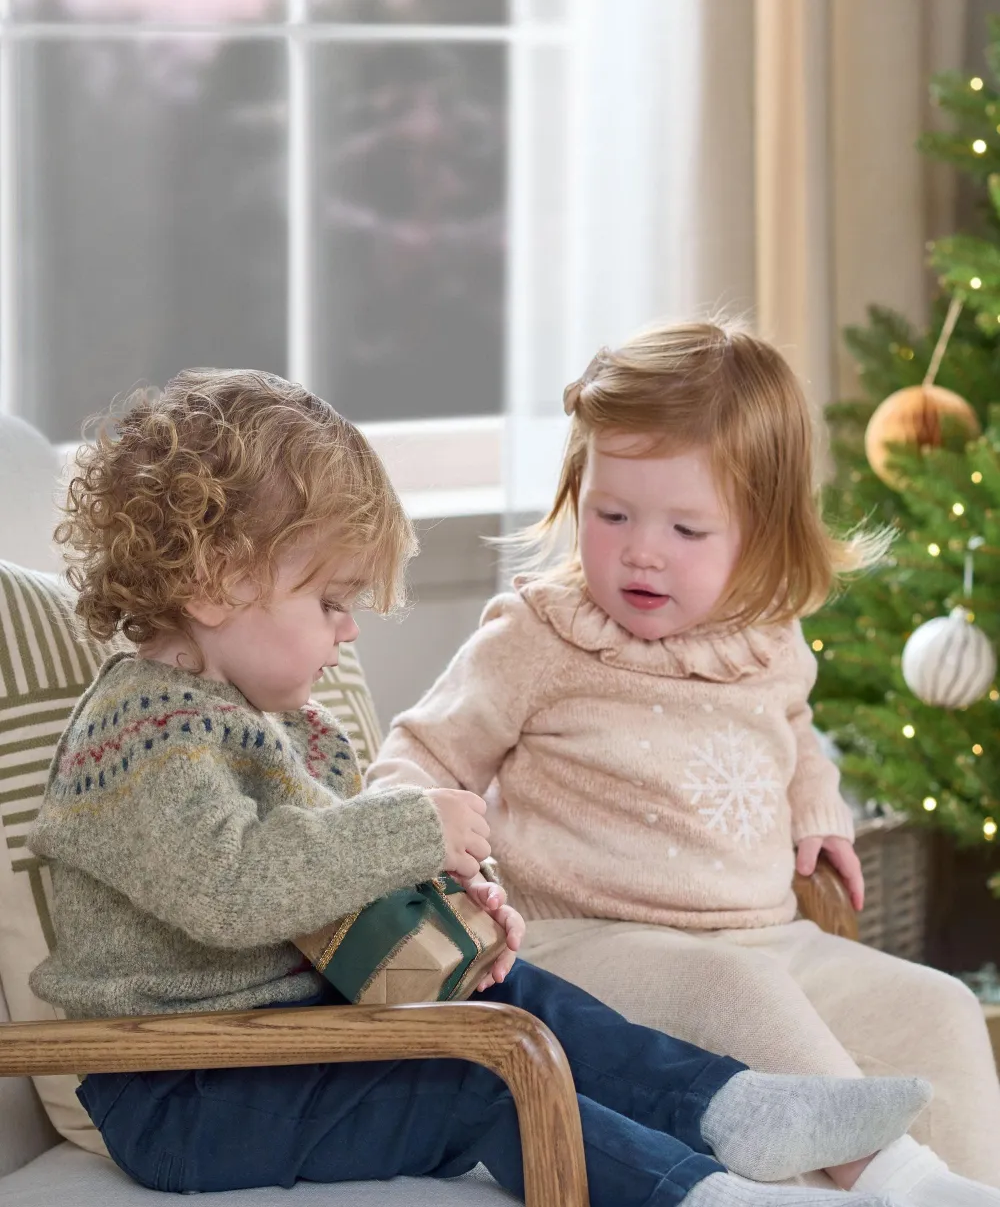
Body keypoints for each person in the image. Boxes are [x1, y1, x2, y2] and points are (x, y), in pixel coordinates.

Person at [27, 369, 923, 1206]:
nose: (347, 634)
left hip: (288, 1041)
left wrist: (450, 913)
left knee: (516, 994)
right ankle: (695, 1192)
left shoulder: (285, 724)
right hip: (185, 1090)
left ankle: (733, 1108)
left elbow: (332, 890)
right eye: (332, 602)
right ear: (220, 586)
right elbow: (232, 889)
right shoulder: (143, 735)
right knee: (473, 1084)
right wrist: (412, 828)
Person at [368, 319, 1000, 1207]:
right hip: (583, 944)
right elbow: (420, 752)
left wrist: (818, 807)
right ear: (576, 495)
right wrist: (424, 835)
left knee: (935, 1007)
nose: (641, 550)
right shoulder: (539, 636)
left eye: (688, 528)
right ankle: (894, 1180)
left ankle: (970, 1189)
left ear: (761, 533)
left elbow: (795, 729)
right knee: (734, 987)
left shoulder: (769, 640)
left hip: (766, 934)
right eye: (612, 514)